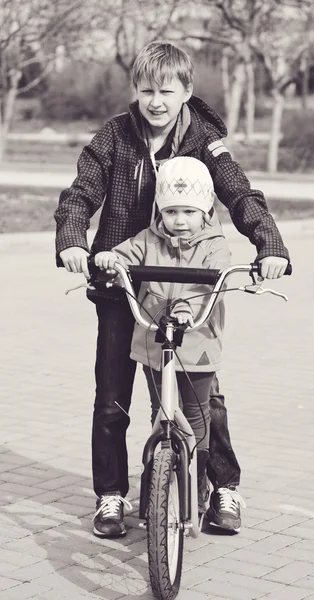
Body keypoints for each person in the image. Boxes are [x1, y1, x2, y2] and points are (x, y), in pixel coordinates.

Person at [54, 40, 290, 538]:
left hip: (191, 286)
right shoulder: (114, 137)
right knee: (112, 394)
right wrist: (74, 241)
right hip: (124, 284)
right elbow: (80, 193)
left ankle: (222, 488)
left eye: (165, 90)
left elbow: (239, 192)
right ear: (135, 92)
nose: (155, 100)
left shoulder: (204, 139)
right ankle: (112, 496)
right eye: (146, 90)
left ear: (186, 91)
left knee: (204, 396)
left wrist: (269, 245)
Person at [94, 157, 231, 525]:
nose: (180, 220)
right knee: (161, 412)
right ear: (160, 210)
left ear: (205, 212)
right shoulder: (148, 239)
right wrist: (112, 258)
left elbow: (211, 284)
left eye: (189, 211)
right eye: (171, 211)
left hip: (197, 345)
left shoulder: (213, 245)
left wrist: (189, 307)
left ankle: (198, 483)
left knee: (197, 417)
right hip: (157, 346)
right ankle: (157, 481)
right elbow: (126, 255)